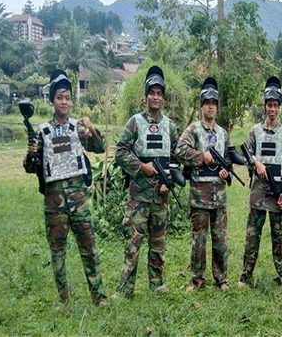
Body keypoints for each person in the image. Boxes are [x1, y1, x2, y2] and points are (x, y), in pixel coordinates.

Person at [24, 69, 107, 307]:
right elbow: (31, 167)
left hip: (79, 198)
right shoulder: (42, 131)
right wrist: (30, 154)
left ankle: (99, 297)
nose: (64, 101)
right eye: (60, 97)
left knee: (89, 248)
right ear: (52, 100)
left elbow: (100, 147)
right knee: (58, 251)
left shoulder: (78, 128)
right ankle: (65, 300)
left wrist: (91, 128)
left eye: (68, 97)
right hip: (54, 201)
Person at [114, 66, 180, 297]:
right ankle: (125, 290)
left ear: (163, 97)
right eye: (152, 92)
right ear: (146, 95)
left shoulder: (170, 126)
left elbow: (177, 158)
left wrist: (168, 181)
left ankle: (157, 285)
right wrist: (142, 167)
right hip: (139, 195)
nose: (155, 96)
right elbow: (120, 152)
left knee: (158, 245)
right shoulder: (135, 122)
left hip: (160, 197)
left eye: (159, 93)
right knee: (133, 244)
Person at [175, 77, 234, 291]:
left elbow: (228, 160)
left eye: (214, 103)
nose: (211, 106)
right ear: (202, 106)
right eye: (207, 102)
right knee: (198, 240)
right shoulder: (193, 130)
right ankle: (197, 279)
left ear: (217, 107)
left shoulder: (223, 133)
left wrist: (226, 171)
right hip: (199, 195)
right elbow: (180, 151)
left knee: (220, 240)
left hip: (219, 196)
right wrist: (202, 156)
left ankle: (221, 278)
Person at [237, 76, 282, 288]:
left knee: (278, 236)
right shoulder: (255, 131)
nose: (272, 109)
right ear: (264, 107)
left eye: (275, 106)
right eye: (269, 105)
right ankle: (245, 276)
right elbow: (245, 155)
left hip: (277, 191)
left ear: (279, 107)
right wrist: (255, 164)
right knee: (253, 236)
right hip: (258, 192)